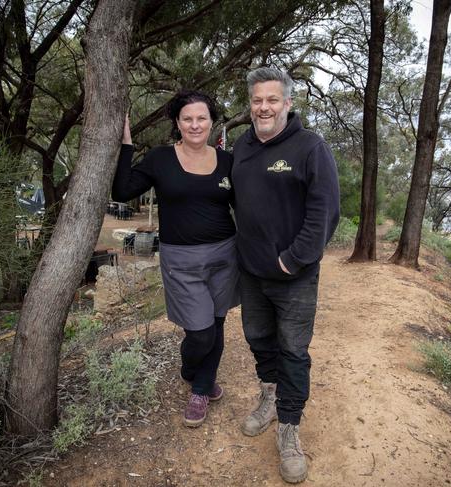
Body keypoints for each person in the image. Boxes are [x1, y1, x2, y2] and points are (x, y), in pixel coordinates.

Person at [231, 67, 340, 483]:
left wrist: (293, 259)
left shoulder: (310, 147)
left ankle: (290, 429)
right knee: (259, 340)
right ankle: (269, 399)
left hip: (293, 276)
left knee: (293, 351)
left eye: (272, 100)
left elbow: (325, 210)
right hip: (252, 274)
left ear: (288, 103)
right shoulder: (241, 146)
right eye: (257, 100)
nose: (264, 107)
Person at [112, 90, 238, 428]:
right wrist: (126, 144)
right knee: (200, 333)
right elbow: (121, 191)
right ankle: (190, 368)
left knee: (217, 324)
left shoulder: (228, 161)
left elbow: (247, 206)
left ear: (212, 122)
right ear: (177, 123)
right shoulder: (160, 158)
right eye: (188, 119)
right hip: (180, 259)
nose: (195, 125)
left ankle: (200, 388)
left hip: (225, 255)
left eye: (202, 118)